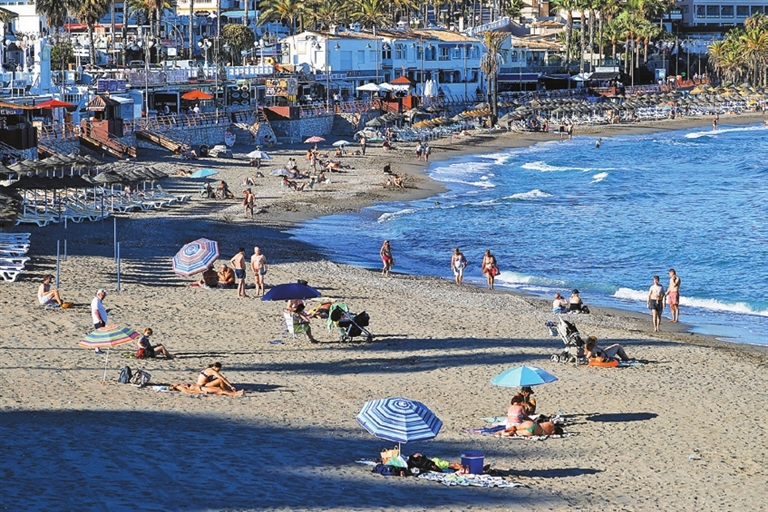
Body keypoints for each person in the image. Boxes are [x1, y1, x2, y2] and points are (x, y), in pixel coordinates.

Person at [495, 420, 563, 437]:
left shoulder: (550, 424)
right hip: (533, 432)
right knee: (515, 432)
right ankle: (505, 433)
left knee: (515, 427)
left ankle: (502, 431)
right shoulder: (552, 432)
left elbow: (551, 421)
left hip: (533, 424)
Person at [91, 289, 108, 354]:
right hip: (98, 321)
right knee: (99, 335)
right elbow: (96, 311)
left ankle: (98, 348)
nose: (103, 297)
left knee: (100, 335)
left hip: (101, 320)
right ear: (98, 294)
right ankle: (97, 349)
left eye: (104, 295)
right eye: (102, 295)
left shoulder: (99, 301)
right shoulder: (95, 301)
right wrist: (100, 319)